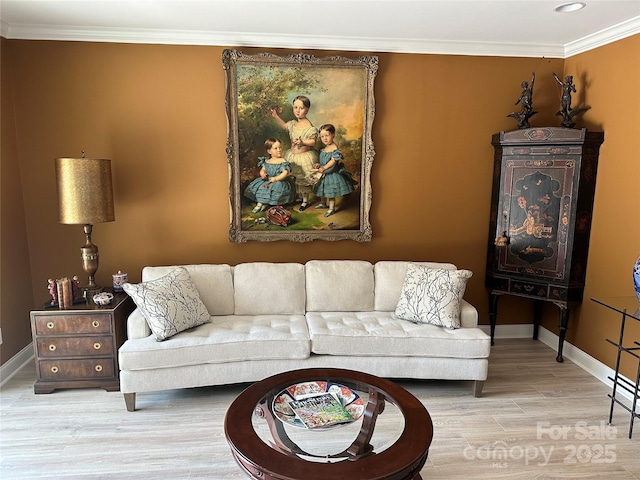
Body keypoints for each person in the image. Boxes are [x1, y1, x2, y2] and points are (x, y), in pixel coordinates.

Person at [270, 96, 318, 211]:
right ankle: (298, 196)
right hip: (292, 155)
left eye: (301, 108)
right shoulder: (293, 124)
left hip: (304, 156)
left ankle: (305, 201)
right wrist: (276, 116)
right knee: (294, 177)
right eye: (295, 107)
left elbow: (313, 141)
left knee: (302, 179)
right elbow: (284, 126)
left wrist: (302, 141)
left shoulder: (309, 127)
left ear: (307, 109)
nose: (297, 110)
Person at [312, 124, 356, 217]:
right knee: (321, 189)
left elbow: (332, 161)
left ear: (333, 135)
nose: (324, 138)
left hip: (331, 174)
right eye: (322, 136)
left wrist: (324, 168)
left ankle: (331, 208)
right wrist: (319, 165)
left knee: (330, 192)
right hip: (323, 173)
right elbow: (324, 161)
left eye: (327, 135)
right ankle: (323, 203)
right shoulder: (325, 148)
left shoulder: (334, 148)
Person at [244, 138, 296, 213]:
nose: (279, 150)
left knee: (275, 190)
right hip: (268, 179)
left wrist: (276, 178)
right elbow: (263, 169)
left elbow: (285, 173)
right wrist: (262, 173)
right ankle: (260, 204)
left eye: (280, 147)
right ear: (269, 151)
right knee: (261, 188)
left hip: (279, 181)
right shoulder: (267, 161)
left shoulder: (282, 161)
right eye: (276, 148)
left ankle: (270, 205)